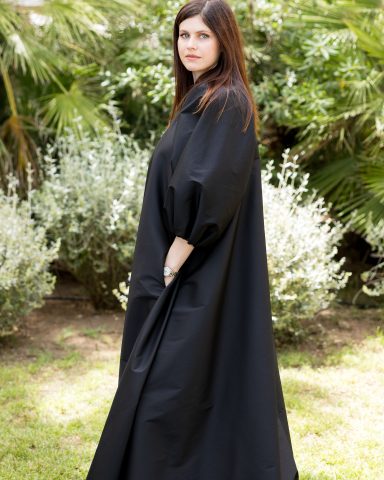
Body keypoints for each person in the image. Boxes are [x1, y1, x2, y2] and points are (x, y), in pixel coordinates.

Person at [86, 0, 299, 478]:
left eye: (203, 35)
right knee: (181, 386)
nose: (191, 45)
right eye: (184, 35)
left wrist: (179, 250)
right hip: (182, 267)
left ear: (225, 40)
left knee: (165, 387)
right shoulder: (201, 99)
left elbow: (211, 182)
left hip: (194, 270)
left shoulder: (225, 100)